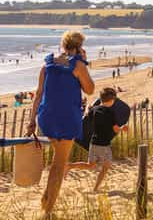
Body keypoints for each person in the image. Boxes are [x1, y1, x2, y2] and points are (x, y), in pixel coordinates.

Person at [26, 31, 95, 218]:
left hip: (47, 116)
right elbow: (90, 89)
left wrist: (32, 121)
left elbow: (38, 94)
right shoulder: (78, 65)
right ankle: (48, 211)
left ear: (63, 45)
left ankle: (46, 197)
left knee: (56, 159)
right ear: (78, 47)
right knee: (59, 164)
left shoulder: (47, 63)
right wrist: (84, 64)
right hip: (66, 118)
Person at [65, 87, 128, 191]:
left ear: (101, 99)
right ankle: (96, 187)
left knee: (90, 165)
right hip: (104, 145)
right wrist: (123, 128)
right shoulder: (110, 113)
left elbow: (85, 118)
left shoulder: (94, 110)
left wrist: (88, 108)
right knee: (106, 166)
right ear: (112, 100)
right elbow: (115, 129)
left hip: (93, 143)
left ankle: (70, 166)